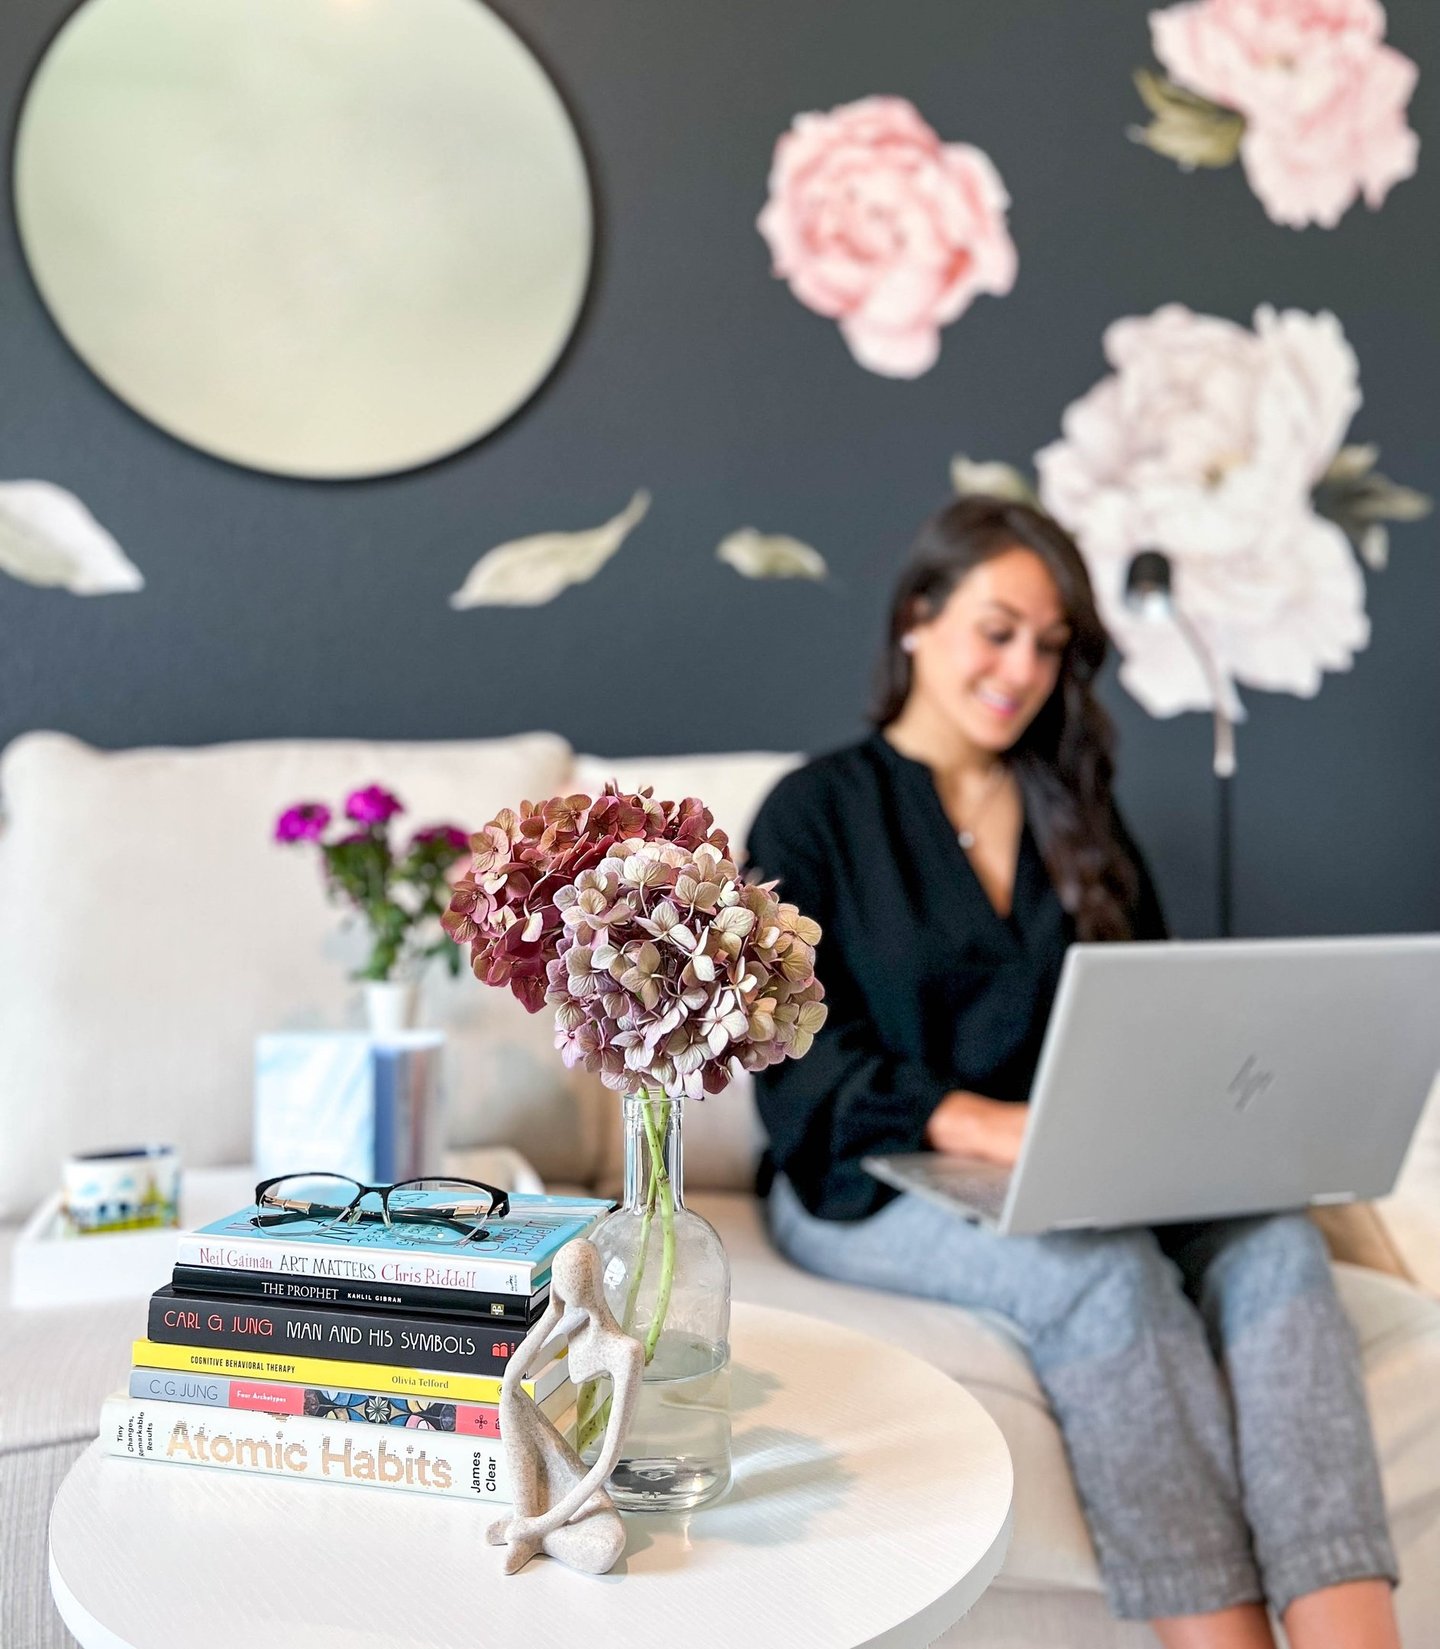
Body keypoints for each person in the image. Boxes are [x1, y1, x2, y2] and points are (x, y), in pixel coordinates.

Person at [747, 496, 1400, 1649]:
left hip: (1095, 1156)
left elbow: (1149, 1017)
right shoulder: (817, 811)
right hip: (871, 1171)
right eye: (998, 630)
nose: (1023, 670)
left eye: (1050, 647)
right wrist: (984, 1124)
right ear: (917, 617)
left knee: (1280, 1245)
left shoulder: (1075, 811)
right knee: (1103, 1276)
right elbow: (795, 1059)